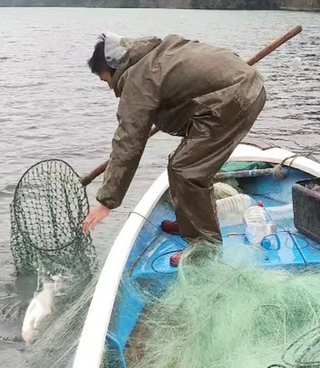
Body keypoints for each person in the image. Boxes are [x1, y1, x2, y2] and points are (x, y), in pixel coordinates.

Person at [81, 32, 266, 266]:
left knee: (186, 170)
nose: (110, 87)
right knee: (181, 164)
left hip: (235, 98)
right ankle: (191, 223)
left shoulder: (139, 78)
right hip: (237, 90)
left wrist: (107, 202)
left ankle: (204, 250)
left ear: (114, 67)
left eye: (106, 80)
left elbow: (128, 141)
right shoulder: (157, 53)